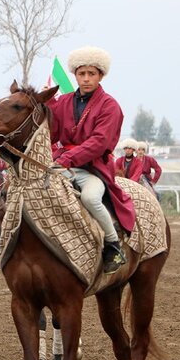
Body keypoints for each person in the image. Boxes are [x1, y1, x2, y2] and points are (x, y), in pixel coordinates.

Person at [46, 46, 136, 274]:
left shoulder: (110, 106)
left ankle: (113, 245)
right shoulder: (63, 102)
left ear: (101, 75)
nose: (86, 79)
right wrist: (45, 107)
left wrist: (68, 158)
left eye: (91, 74)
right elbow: (52, 133)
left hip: (93, 169)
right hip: (61, 165)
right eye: (81, 74)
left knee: (90, 197)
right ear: (75, 75)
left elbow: (100, 142)